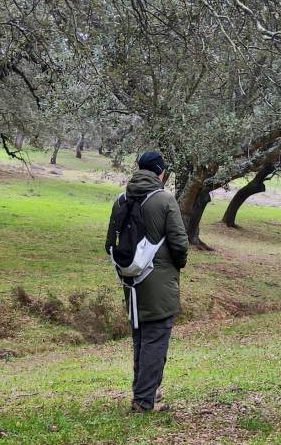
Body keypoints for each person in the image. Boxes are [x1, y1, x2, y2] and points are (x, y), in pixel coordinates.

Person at [105, 151, 189, 413]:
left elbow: (110, 242)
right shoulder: (164, 200)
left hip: (131, 282)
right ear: (160, 172)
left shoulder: (122, 199)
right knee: (155, 339)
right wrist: (178, 264)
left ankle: (144, 393)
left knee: (141, 338)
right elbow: (179, 243)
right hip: (159, 280)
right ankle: (143, 402)